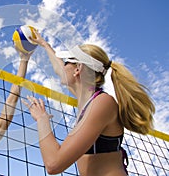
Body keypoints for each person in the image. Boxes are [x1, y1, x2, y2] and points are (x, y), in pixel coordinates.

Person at [23, 30, 155, 176]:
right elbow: (59, 69)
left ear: (78, 69)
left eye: (67, 62)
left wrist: (42, 119)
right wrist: (44, 44)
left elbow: (54, 164)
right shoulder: (87, 100)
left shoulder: (102, 103)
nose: (63, 67)